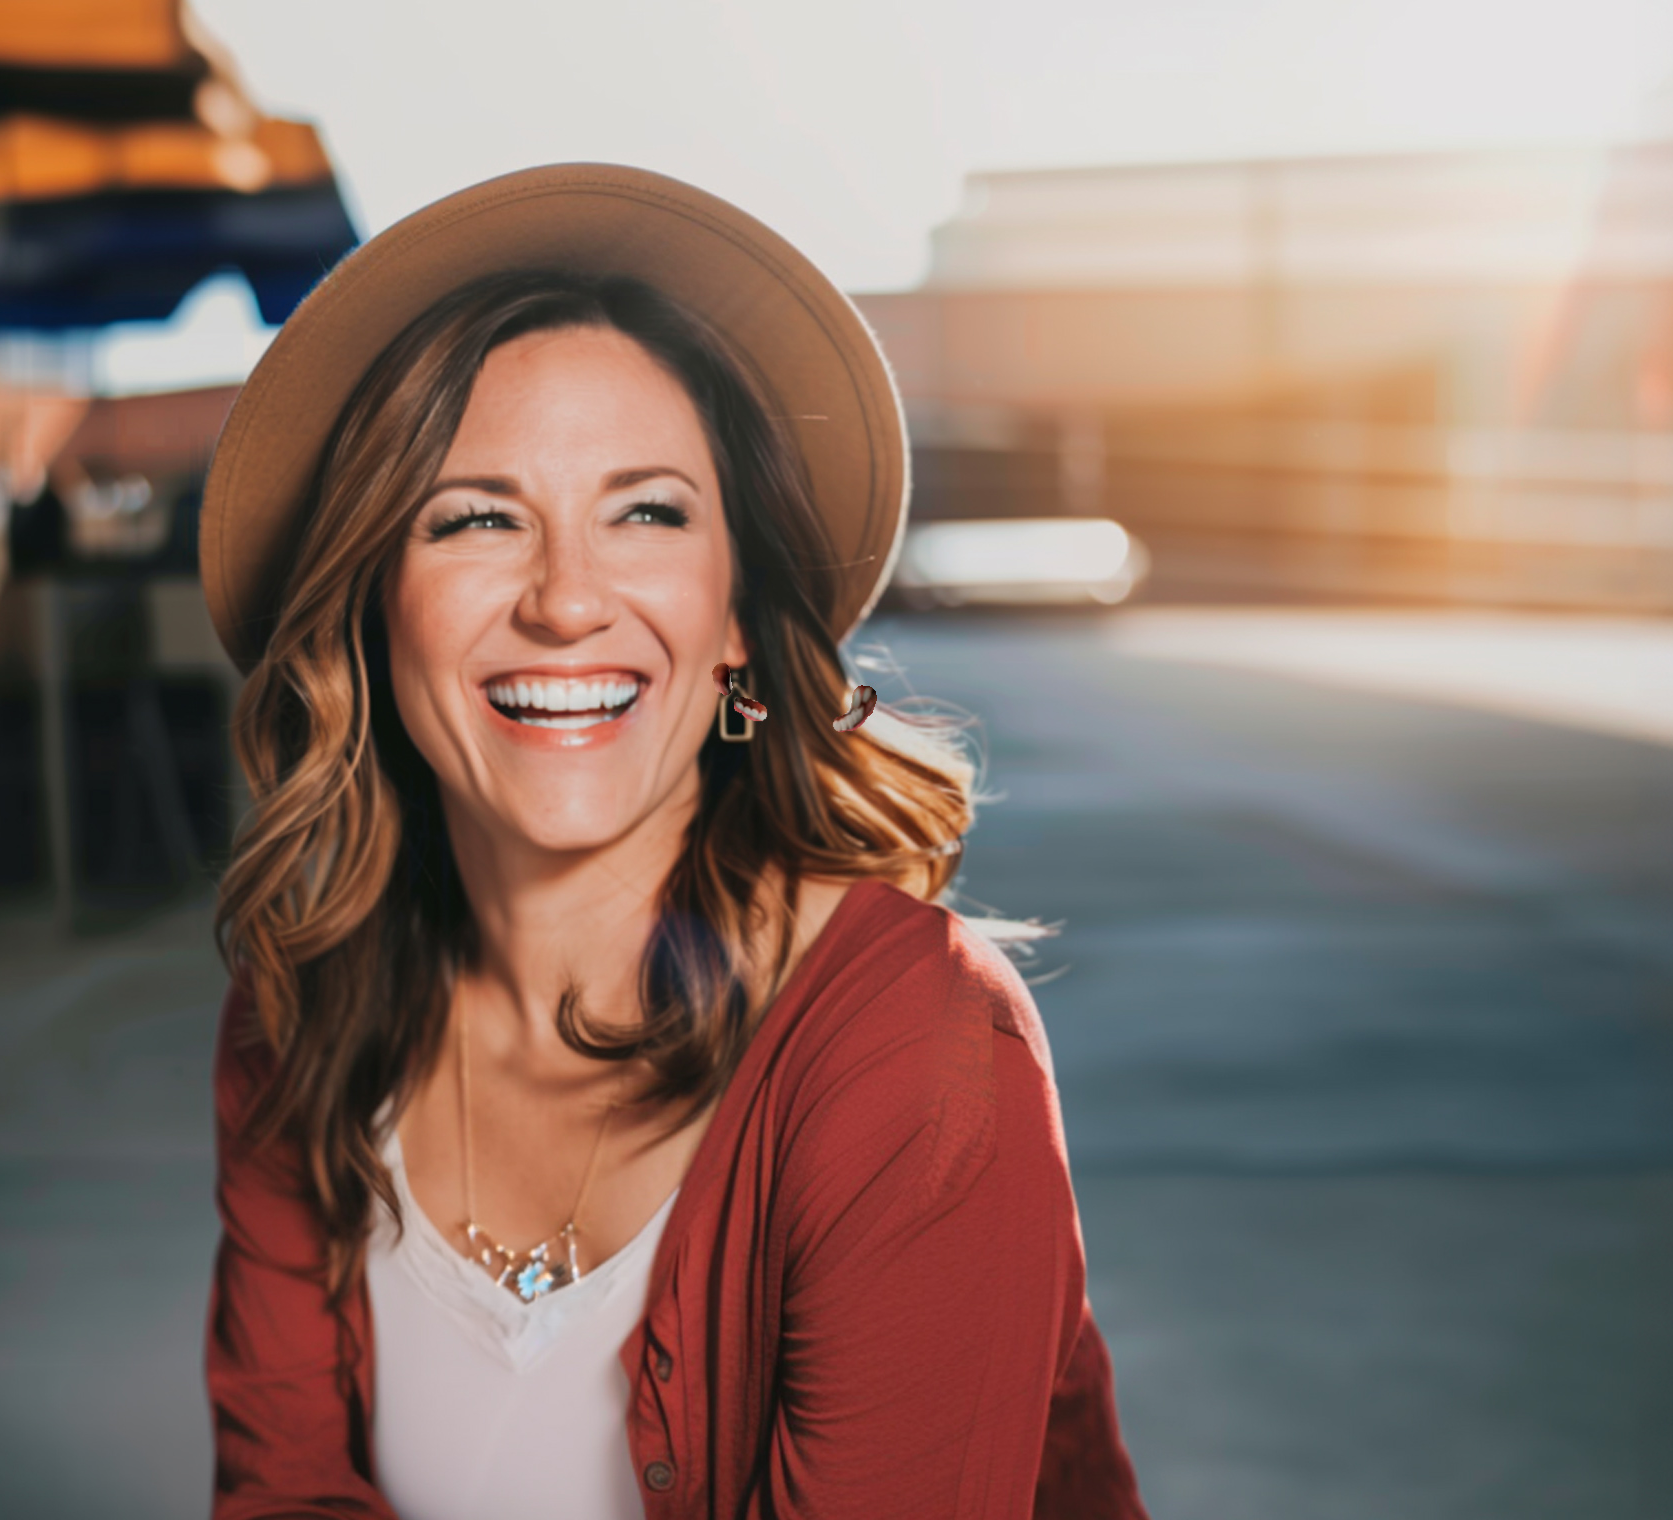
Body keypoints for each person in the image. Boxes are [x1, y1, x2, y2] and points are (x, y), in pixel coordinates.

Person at [192, 165, 1145, 1519]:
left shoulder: (914, 1052)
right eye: (475, 517)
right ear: (369, 614)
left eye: (647, 511)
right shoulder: (297, 1011)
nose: (567, 600)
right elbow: (283, 1493)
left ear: (741, 621)